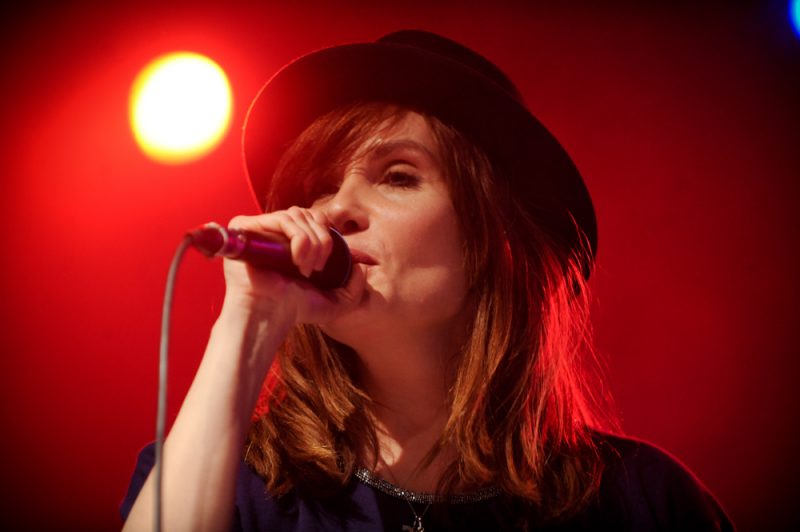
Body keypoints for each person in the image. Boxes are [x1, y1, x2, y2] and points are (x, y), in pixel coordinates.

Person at [121, 30, 734, 531]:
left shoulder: (642, 502)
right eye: (318, 188)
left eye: (398, 176)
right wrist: (248, 321)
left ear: (495, 238)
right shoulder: (224, 480)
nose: (336, 210)